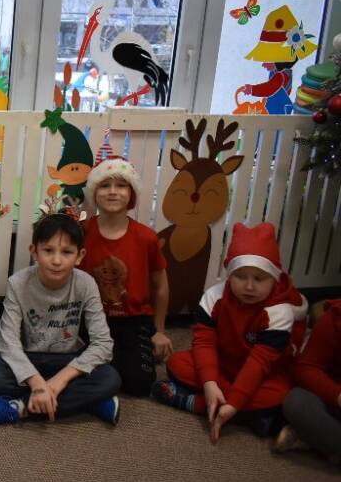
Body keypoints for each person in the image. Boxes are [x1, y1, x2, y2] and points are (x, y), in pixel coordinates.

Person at [153, 222, 307, 443]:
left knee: (282, 394)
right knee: (177, 363)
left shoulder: (279, 312)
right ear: (229, 275)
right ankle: (250, 416)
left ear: (274, 279)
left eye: (259, 278)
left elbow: (259, 363)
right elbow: (204, 344)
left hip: (262, 376)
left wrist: (234, 403)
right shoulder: (214, 297)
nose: (249, 286)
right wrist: (209, 384)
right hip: (223, 366)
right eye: (241, 276)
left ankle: (198, 403)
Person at [0, 212, 121, 431]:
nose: (56, 260)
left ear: (79, 256)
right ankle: (88, 403)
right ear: (34, 251)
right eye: (48, 250)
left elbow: (103, 344)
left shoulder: (86, 284)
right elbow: (8, 343)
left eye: (67, 252)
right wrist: (36, 382)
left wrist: (58, 382)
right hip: (30, 358)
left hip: (68, 361)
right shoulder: (18, 283)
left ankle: (17, 407)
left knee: (110, 378)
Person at [80, 151, 171, 396]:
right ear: (94, 193)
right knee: (86, 370)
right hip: (91, 318)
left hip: (134, 320)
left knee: (138, 384)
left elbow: (160, 286)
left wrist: (159, 331)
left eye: (121, 185)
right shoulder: (81, 232)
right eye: (104, 185)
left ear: (131, 193)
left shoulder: (146, 238)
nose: (113, 192)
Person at [275, 300, 341, 463]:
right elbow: (307, 368)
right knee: (297, 402)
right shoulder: (335, 316)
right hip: (331, 399)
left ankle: (315, 440)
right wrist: (337, 395)